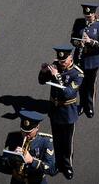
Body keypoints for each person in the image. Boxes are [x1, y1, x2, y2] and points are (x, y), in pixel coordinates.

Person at [38, 46, 83, 180]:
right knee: (57, 140)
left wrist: (57, 76)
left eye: (63, 61)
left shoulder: (77, 74)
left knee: (67, 142)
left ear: (70, 59)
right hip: (54, 110)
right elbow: (41, 81)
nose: (61, 63)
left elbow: (69, 93)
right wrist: (44, 71)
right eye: (59, 60)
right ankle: (57, 163)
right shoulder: (55, 66)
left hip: (67, 112)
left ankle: (67, 166)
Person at [70, 4, 99, 118]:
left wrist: (91, 42)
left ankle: (89, 107)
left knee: (90, 85)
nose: (87, 18)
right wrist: (78, 43)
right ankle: (81, 105)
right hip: (80, 60)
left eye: (89, 16)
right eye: (86, 16)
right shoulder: (79, 22)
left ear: (94, 14)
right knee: (80, 84)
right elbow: (72, 39)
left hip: (92, 61)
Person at [2, 110, 56, 183]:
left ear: (37, 127)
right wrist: (13, 158)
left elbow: (52, 170)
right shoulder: (12, 137)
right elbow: (5, 163)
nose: (26, 135)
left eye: (29, 132)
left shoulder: (47, 141)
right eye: (23, 131)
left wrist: (32, 161)